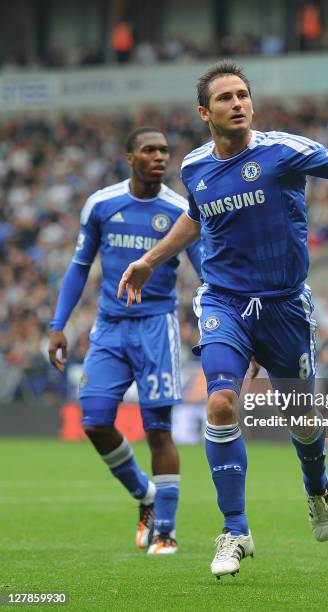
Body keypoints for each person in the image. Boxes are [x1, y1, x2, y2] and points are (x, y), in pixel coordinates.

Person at [117, 61, 328, 578]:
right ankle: (235, 530)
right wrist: (150, 261)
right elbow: (196, 218)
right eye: (225, 98)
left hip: (285, 305)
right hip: (225, 303)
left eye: (243, 94)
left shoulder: (282, 151)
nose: (237, 102)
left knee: (302, 421)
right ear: (205, 112)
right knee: (220, 403)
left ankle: (317, 487)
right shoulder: (195, 167)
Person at [49, 127, 202, 555]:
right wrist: (58, 323)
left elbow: (205, 270)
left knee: (158, 430)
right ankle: (145, 495)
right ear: (129, 157)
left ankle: (166, 531)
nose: (159, 157)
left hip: (156, 327)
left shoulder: (180, 210)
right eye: (149, 150)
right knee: (95, 421)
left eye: (164, 151)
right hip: (110, 327)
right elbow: (80, 266)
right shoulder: (101, 204)